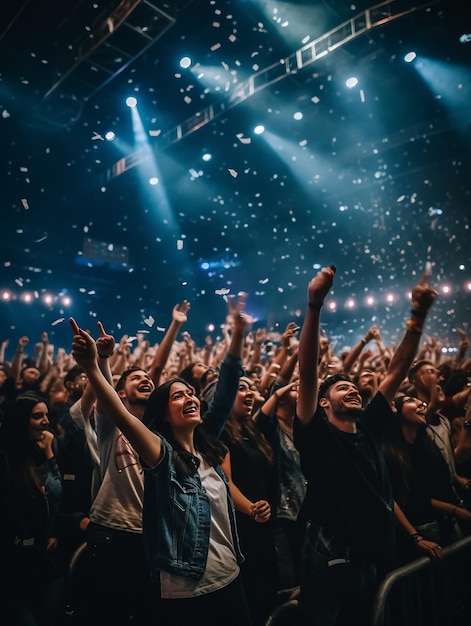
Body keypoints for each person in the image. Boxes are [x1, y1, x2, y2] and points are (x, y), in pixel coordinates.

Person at [69, 293, 253, 626]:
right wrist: (94, 366)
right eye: (178, 395)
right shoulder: (161, 455)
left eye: (191, 393)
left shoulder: (205, 446)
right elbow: (119, 415)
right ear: (164, 413)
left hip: (228, 571)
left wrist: (238, 335)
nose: (190, 397)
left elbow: (224, 392)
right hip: (172, 572)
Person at [294, 264, 437, 626]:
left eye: (353, 386)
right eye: (341, 388)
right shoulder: (316, 434)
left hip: (370, 560)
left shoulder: (369, 427)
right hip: (329, 561)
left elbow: (397, 370)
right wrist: (315, 305)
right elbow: (308, 373)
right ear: (323, 403)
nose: (353, 388)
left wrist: (417, 316)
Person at [0, 392, 64, 626]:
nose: (46, 421)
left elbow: (56, 494)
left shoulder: (37, 452)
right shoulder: (4, 458)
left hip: (39, 557)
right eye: (38, 416)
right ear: (20, 420)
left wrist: (49, 454)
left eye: (46, 415)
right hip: (11, 564)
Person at [221, 375, 279, 626]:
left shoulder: (252, 430)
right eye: (239, 388)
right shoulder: (221, 432)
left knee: (268, 594)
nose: (249, 393)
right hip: (242, 527)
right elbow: (225, 482)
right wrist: (251, 508)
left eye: (250, 388)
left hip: (263, 526)